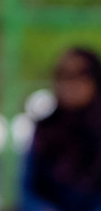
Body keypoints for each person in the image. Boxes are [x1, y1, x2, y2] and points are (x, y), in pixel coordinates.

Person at [24, 47, 101, 211]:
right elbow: (26, 192)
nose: (68, 84)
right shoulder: (45, 130)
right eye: (61, 75)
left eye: (78, 75)